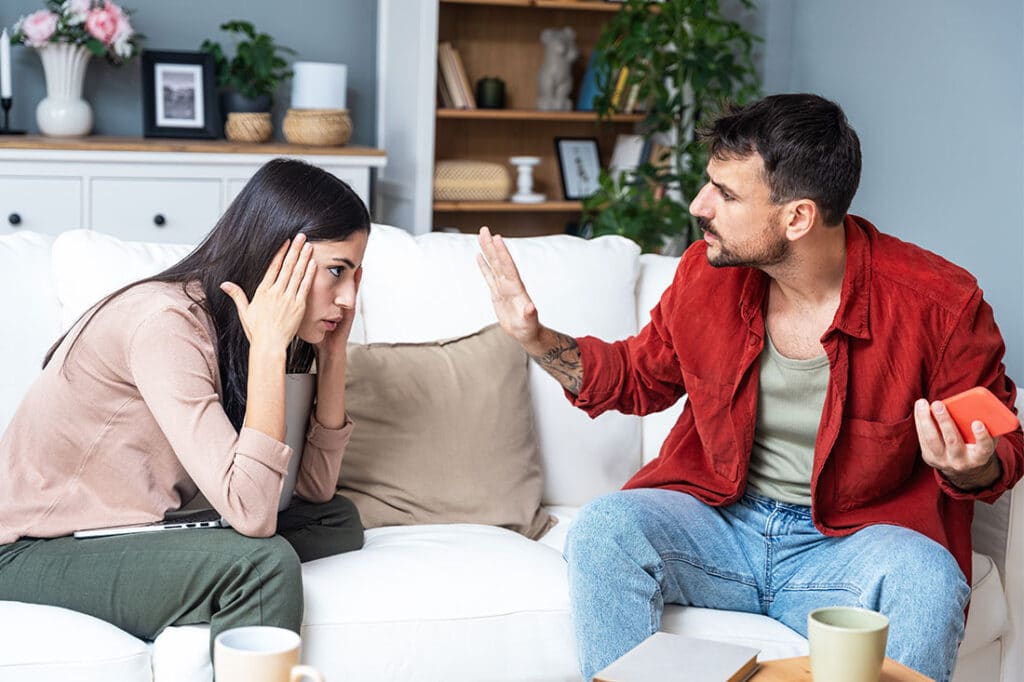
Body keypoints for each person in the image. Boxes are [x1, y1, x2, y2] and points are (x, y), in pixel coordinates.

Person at [476, 93, 1023, 682]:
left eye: (727, 194)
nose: (698, 205)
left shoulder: (940, 304)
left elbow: (1002, 447)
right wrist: (534, 337)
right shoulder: (704, 275)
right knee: (607, 526)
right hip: (718, 526)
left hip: (851, 544)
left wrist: (970, 466)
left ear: (797, 218)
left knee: (930, 578)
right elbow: (636, 378)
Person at [0, 158, 369, 650]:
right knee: (262, 564)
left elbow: (313, 492)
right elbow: (253, 515)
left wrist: (334, 355)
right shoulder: (166, 324)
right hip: (34, 548)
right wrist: (268, 351)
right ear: (277, 261)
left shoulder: (246, 332)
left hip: (135, 529)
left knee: (338, 518)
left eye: (354, 277)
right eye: (336, 272)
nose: (347, 299)